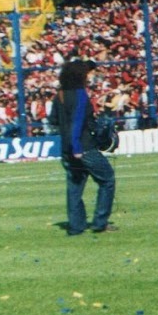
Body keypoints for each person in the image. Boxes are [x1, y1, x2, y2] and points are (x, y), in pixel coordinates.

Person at [51, 59, 117, 236]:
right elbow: (78, 121)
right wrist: (77, 146)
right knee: (107, 179)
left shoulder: (60, 95)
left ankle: (76, 226)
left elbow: (54, 121)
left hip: (66, 149)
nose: (89, 77)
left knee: (75, 187)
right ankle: (100, 222)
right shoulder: (80, 94)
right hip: (83, 147)